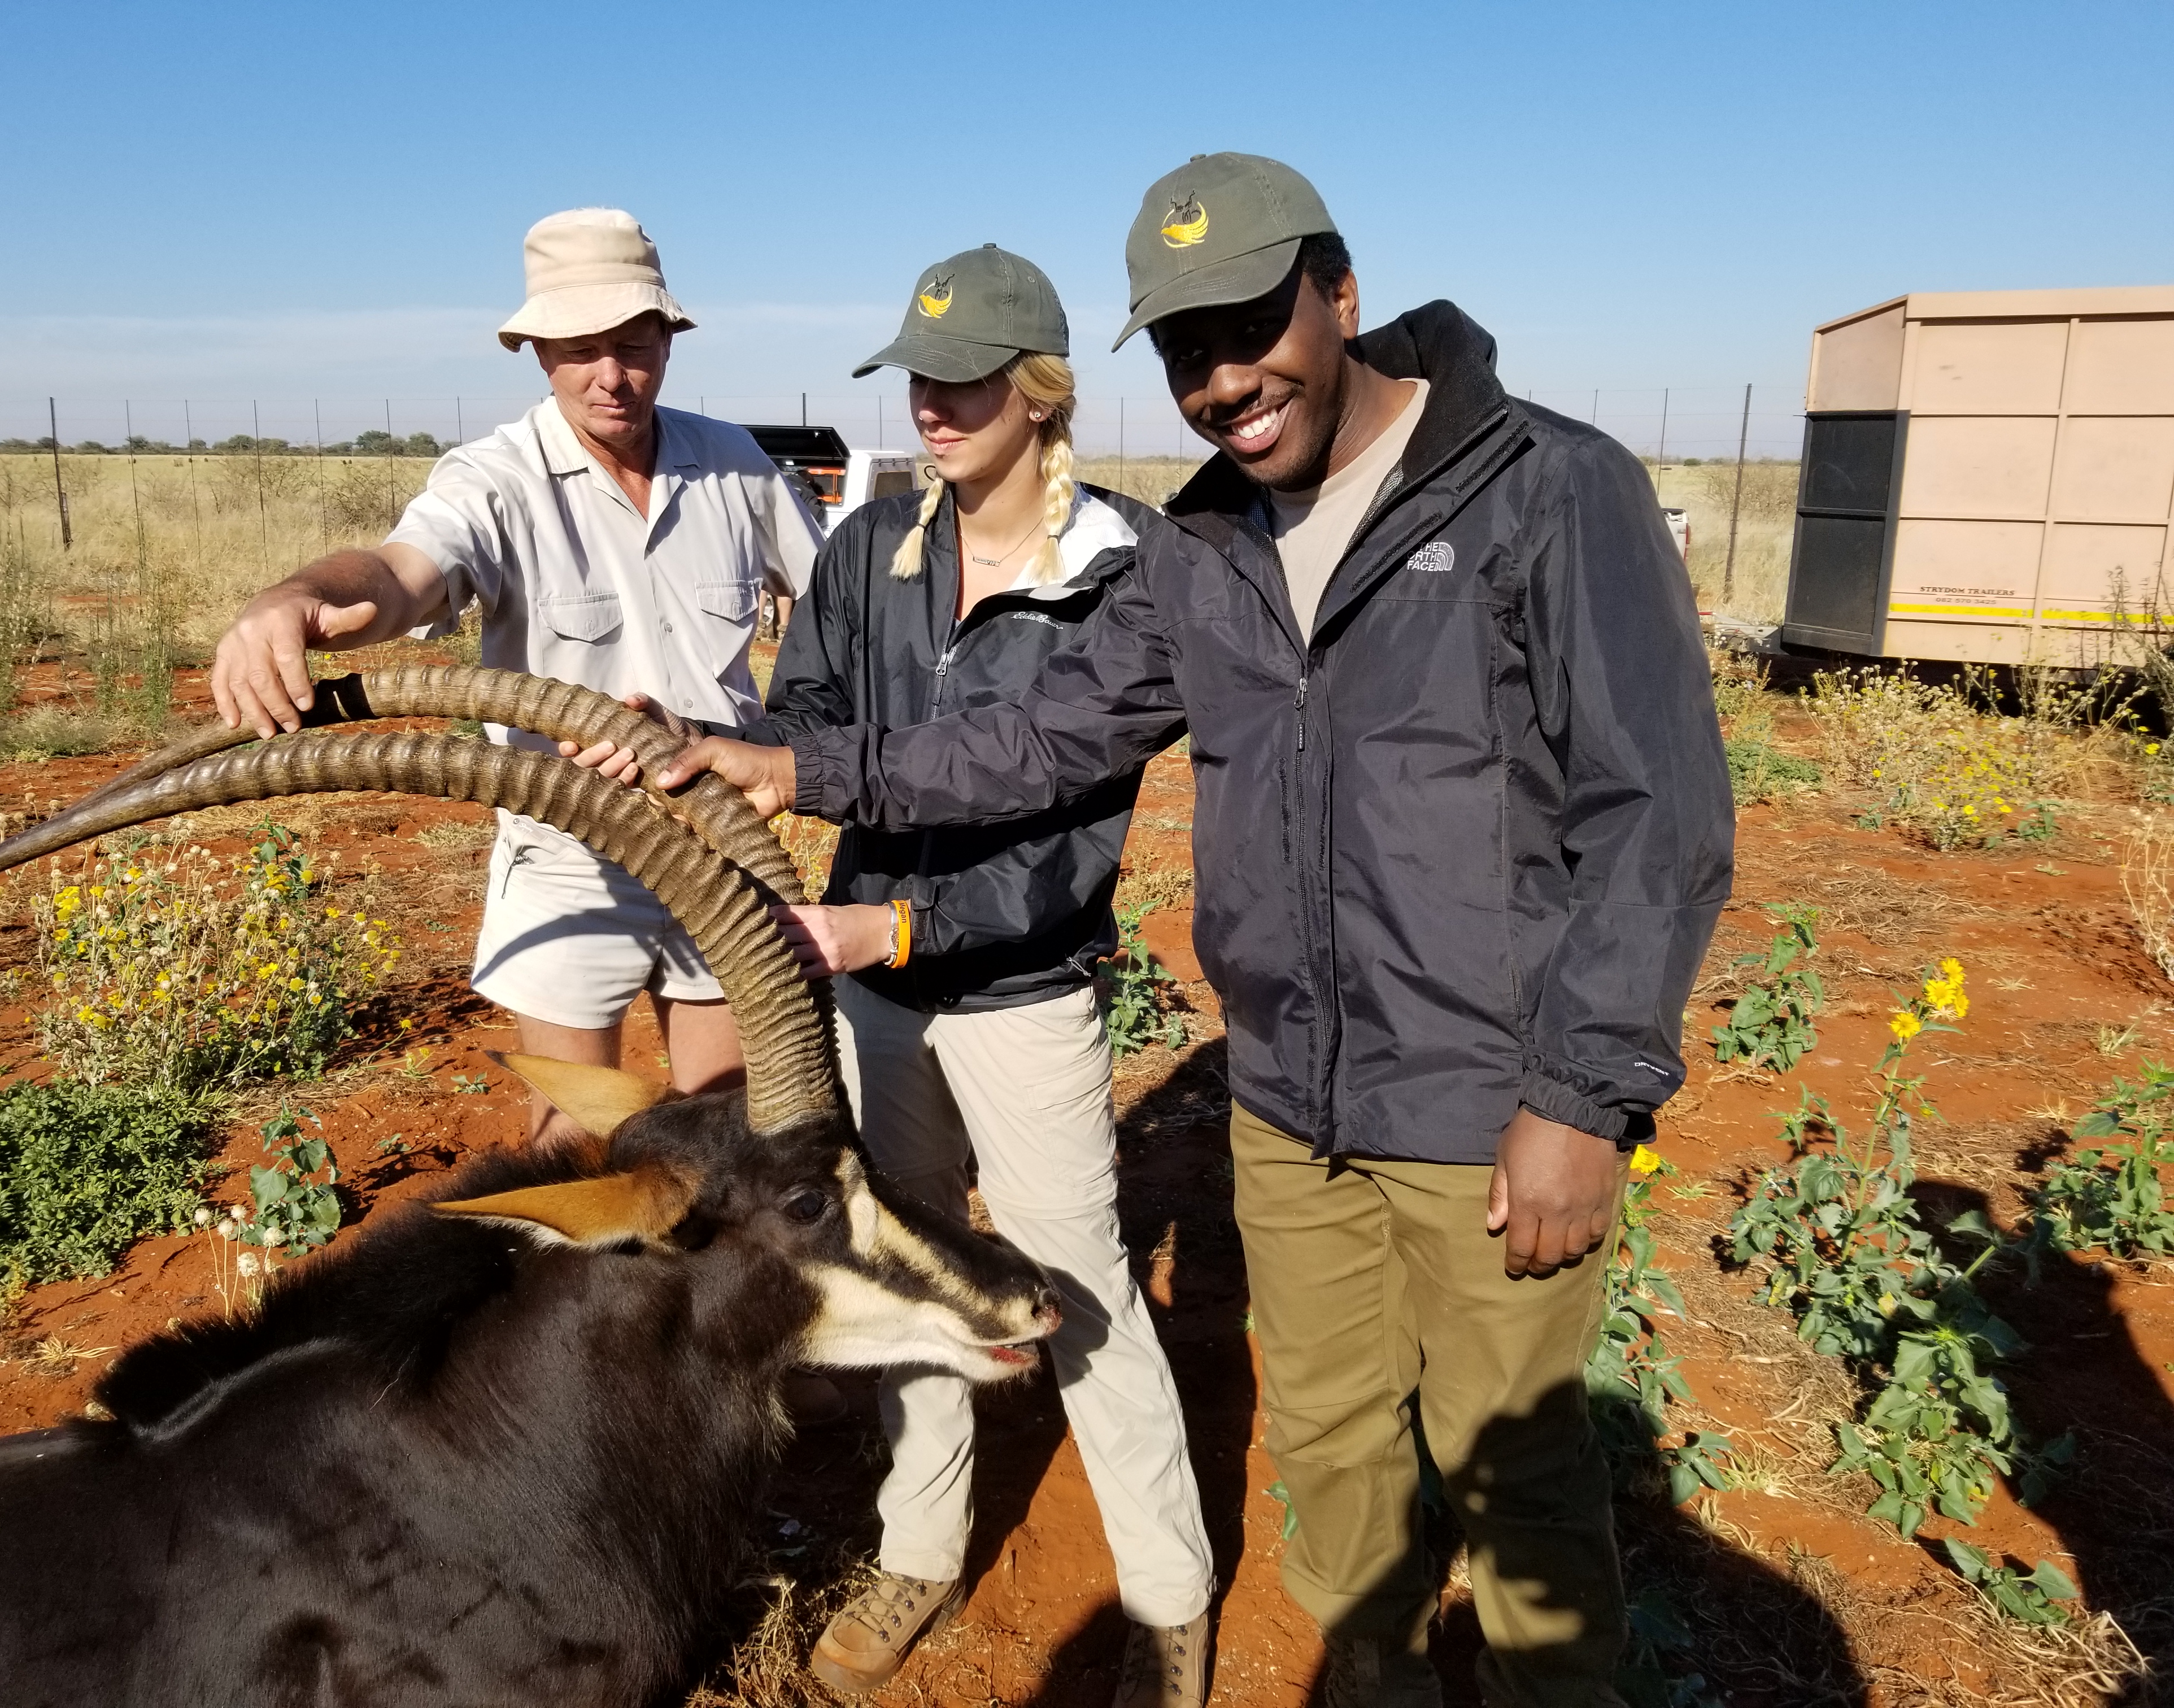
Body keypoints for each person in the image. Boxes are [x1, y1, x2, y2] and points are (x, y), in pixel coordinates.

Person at [656, 155, 1735, 1708]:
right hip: (1288, 1103)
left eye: (1249, 326)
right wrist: (798, 763)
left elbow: (1659, 813)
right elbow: (1041, 738)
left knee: (1517, 1472)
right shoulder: (1206, 545)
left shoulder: (1544, 488)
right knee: (1335, 1443)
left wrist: (1581, 1094)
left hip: (1488, 1093)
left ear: (1339, 291)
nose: (1222, 379)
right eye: (1182, 349)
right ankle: (1368, 1677)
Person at [769, 246, 1214, 1707]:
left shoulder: (1130, 574)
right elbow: (814, 726)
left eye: (962, 381)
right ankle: (918, 1548)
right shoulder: (866, 552)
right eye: (918, 380)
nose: (932, 407)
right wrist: (727, 747)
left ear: (1040, 392)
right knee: (908, 1269)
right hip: (876, 1000)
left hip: (1024, 997)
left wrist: (890, 928)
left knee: (1074, 1278)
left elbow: (1060, 824)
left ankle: (1166, 1595)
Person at [210, 207, 822, 1143]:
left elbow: (835, 609)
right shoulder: (495, 479)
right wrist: (296, 596)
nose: (611, 376)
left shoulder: (734, 463)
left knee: (735, 1133)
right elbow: (400, 575)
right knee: (574, 1141)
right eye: (580, 349)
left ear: (669, 337)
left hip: (724, 841)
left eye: (632, 343)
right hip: (575, 856)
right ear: (536, 351)